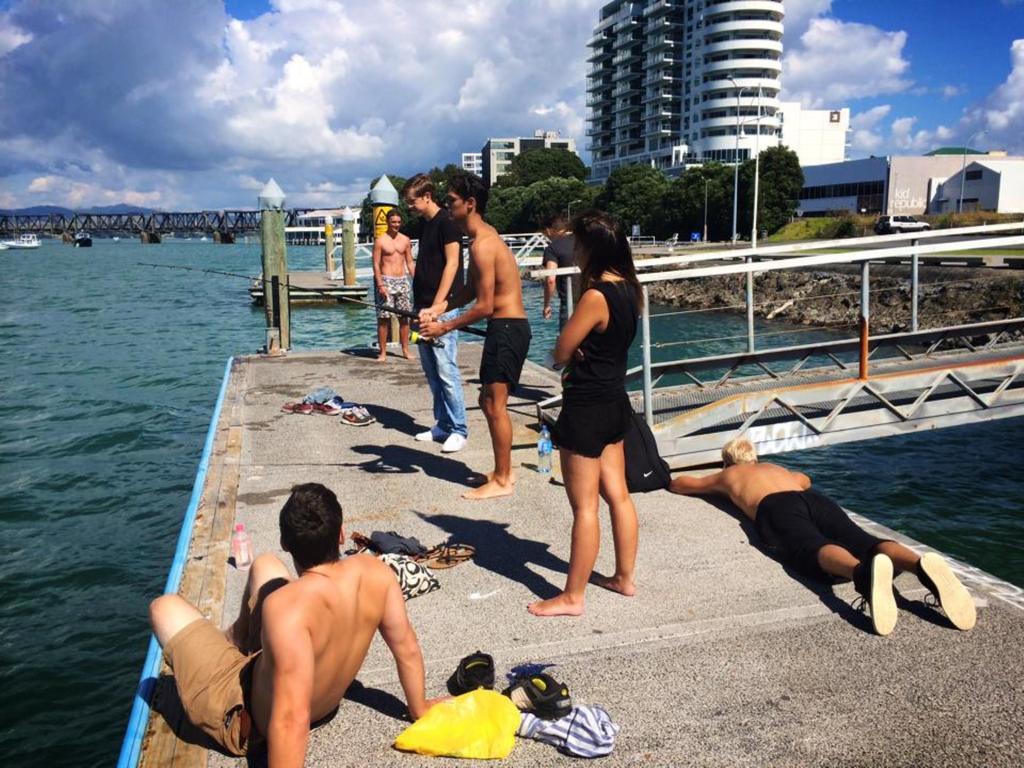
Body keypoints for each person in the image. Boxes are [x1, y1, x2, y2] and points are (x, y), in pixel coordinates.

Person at [148, 483, 440, 763]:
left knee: (163, 607)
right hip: (318, 698)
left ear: (285, 543)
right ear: (341, 534)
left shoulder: (285, 609)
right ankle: (235, 642)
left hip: (247, 715)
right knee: (265, 565)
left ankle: (228, 656)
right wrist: (419, 708)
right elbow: (407, 649)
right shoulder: (377, 573)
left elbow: (290, 720)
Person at [668, 438, 978, 637]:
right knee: (861, 539)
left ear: (727, 461)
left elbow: (683, 484)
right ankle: (919, 564)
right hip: (813, 499)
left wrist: (714, 477)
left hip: (775, 507)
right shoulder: (776, 467)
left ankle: (860, 572)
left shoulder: (728, 475)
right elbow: (806, 479)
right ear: (755, 458)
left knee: (808, 545)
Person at [527, 211, 640, 617]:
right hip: (615, 403)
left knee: (585, 507)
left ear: (591, 249)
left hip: (586, 407)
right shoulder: (631, 289)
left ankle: (573, 596)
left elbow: (559, 352)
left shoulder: (595, 296)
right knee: (619, 496)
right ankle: (624, 578)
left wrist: (569, 351)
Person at [420, 171, 530, 500]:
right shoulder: (481, 238)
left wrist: (443, 327)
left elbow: (484, 305)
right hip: (505, 328)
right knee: (487, 401)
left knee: (495, 405)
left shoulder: (483, 245)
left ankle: (504, 479)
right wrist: (440, 307)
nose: (446, 207)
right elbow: (470, 289)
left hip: (508, 328)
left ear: (470, 204)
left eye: (451, 202)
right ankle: (500, 471)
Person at [401, 174, 468, 453]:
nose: (410, 207)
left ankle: (459, 428)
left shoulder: (447, 222)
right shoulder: (424, 224)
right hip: (422, 307)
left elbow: (453, 265)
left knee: (446, 368)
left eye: (412, 202)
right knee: (430, 369)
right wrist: (421, 309)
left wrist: (439, 306)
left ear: (427, 197)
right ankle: (442, 423)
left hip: (441, 308)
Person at [372, 209, 416, 361]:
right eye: (393, 222)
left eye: (398, 222)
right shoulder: (380, 241)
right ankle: (383, 352)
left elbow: (409, 262)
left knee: (405, 318)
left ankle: (405, 349)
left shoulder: (405, 240)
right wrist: (380, 285)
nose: (396, 225)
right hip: (386, 281)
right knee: (384, 318)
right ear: (387, 222)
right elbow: (376, 264)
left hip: (402, 281)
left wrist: (416, 279)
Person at [541, 214, 577, 330]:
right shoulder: (584, 242)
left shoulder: (552, 249)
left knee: (567, 342)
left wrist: (546, 304)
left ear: (549, 230)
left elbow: (551, 279)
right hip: (593, 298)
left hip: (569, 301)